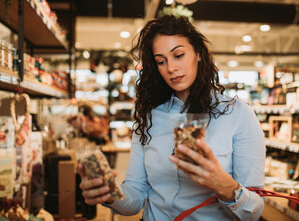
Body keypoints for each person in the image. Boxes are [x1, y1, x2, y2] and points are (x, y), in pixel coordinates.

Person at [78, 15, 265, 220]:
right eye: (161, 61)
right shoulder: (150, 118)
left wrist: (224, 185)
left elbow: (254, 211)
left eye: (178, 55)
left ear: (199, 53)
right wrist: (109, 194)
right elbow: (137, 194)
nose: (171, 68)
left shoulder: (238, 115)